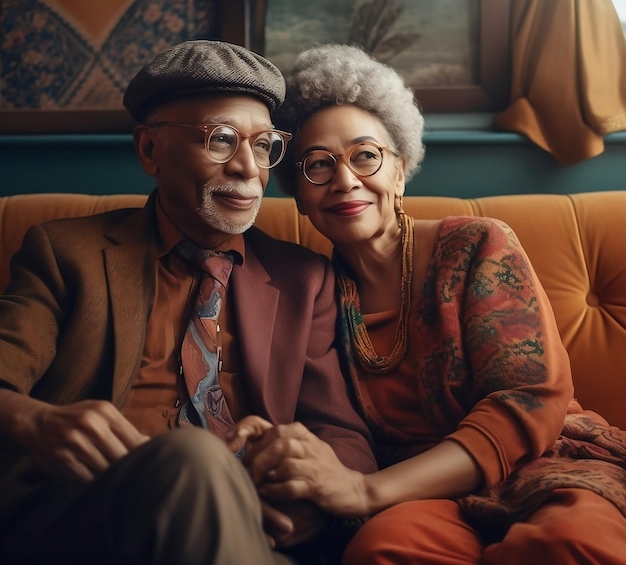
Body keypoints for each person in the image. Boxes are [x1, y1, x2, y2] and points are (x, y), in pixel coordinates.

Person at [229, 43, 626, 565]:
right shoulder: (313, 292)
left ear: (400, 170)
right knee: (381, 550)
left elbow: (530, 400)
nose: (345, 179)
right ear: (298, 194)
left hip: (542, 462)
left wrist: (364, 492)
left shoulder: (477, 244)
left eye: (365, 155)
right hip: (419, 496)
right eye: (318, 165)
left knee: (566, 545)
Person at [0, 40, 377, 565]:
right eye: (221, 139)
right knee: (195, 456)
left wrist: (315, 487)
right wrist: (34, 421)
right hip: (90, 515)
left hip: (254, 522)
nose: (249, 168)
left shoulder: (305, 278)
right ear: (150, 150)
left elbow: (344, 435)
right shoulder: (66, 254)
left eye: (265, 144)